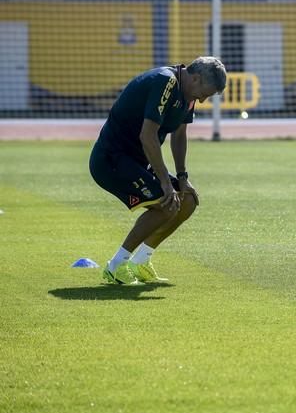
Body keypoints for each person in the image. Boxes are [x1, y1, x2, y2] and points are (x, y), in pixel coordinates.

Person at [89, 56, 227, 285]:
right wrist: (164, 181)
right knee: (167, 203)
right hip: (111, 160)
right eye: (205, 92)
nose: (203, 100)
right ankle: (115, 266)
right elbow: (148, 135)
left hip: (137, 162)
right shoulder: (166, 82)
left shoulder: (188, 93)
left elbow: (180, 134)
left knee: (188, 200)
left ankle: (140, 262)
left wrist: (182, 178)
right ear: (195, 78)